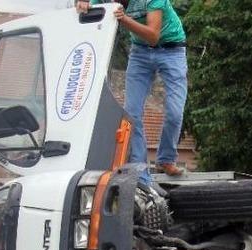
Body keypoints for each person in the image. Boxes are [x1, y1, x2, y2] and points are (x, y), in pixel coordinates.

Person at [77, 0, 188, 181]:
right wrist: (82, 3)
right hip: (140, 53)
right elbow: (89, 5)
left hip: (171, 50)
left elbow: (153, 36)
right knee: (132, 114)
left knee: (174, 113)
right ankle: (141, 174)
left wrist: (124, 19)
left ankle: (166, 159)